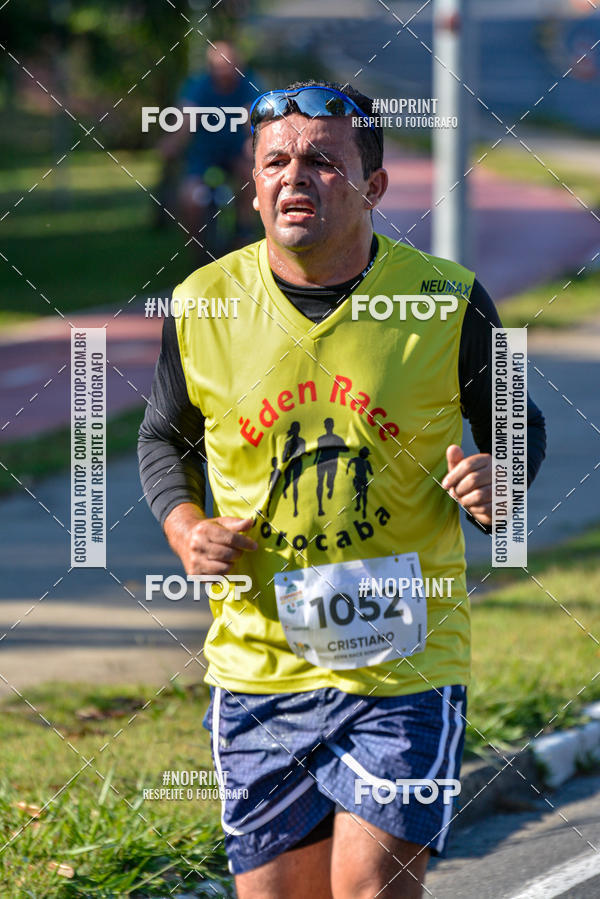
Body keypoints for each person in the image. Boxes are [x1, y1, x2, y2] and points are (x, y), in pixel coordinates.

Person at [138, 80, 547, 898]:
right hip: (258, 666)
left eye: (323, 161)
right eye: (275, 162)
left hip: (404, 663)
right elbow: (162, 438)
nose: (295, 177)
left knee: (369, 888)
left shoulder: (446, 298)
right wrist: (185, 526)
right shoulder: (202, 303)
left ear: (374, 185)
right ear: (254, 184)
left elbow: (518, 422)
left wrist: (503, 474)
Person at [156, 40, 259, 254]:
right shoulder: (198, 85)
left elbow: (253, 117)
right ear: (209, 67)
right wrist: (173, 143)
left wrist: (253, 141)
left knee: (249, 174)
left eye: (228, 64)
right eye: (217, 66)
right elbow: (186, 118)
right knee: (190, 198)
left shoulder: (248, 83)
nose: (223, 71)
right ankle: (199, 252)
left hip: (236, 152)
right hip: (203, 154)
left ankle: (243, 233)